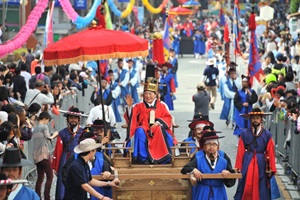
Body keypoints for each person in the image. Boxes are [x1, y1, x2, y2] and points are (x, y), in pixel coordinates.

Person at [124, 75, 177, 164]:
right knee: (139, 130)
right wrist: (130, 107)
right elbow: (131, 119)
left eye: (150, 94)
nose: (148, 96)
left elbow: (168, 118)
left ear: (155, 95)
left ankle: (160, 157)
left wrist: (158, 123)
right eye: (146, 94)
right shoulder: (138, 106)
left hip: (157, 130)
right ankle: (143, 158)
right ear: (143, 95)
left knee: (160, 130)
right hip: (144, 130)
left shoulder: (162, 106)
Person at [234, 108, 277, 200]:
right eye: (253, 118)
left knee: (261, 184)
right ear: (250, 120)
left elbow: (271, 152)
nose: (255, 120)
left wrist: (271, 168)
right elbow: (240, 151)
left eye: (257, 118)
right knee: (245, 183)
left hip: (261, 161)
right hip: (248, 160)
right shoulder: (245, 134)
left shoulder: (267, 134)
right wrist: (238, 167)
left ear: (261, 119)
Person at [181, 131, 236, 200]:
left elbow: (230, 182)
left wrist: (227, 174)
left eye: (214, 144)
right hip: (202, 192)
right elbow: (185, 169)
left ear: (218, 146)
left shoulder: (224, 161)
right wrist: (194, 170)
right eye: (208, 144)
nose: (211, 147)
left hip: (218, 194)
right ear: (204, 147)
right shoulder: (198, 160)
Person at [52, 106, 84, 200]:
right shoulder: (62, 133)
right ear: (67, 119)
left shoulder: (83, 132)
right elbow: (58, 150)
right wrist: (56, 166)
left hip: (78, 158)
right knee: (63, 182)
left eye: (75, 118)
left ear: (78, 120)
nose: (73, 120)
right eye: (71, 118)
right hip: (65, 159)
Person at [32, 112, 58, 200]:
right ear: (46, 118)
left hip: (36, 156)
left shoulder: (35, 128)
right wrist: (55, 134)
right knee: (50, 177)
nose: (48, 122)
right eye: (48, 120)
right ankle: (47, 197)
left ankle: (37, 196)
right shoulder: (44, 127)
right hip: (44, 155)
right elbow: (48, 137)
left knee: (40, 177)